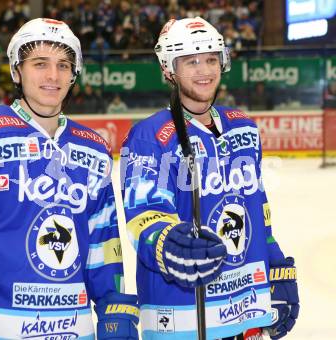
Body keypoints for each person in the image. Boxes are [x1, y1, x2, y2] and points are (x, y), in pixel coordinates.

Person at [0, 18, 139, 339]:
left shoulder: (94, 148)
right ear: (16, 71)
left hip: (75, 326)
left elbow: (103, 239)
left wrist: (113, 306)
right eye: (40, 64)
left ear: (74, 74)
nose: (53, 76)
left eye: (64, 65)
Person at [120, 17, 299, 339]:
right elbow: (143, 216)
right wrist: (167, 241)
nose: (204, 70)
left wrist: (276, 265)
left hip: (246, 306)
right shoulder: (148, 136)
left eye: (211, 59)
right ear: (168, 70)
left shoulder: (243, 126)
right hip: (182, 313)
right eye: (191, 61)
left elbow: (257, 208)